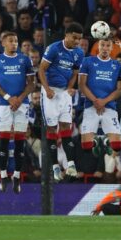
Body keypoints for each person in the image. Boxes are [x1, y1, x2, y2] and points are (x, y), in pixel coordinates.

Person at [0, 32, 35, 193]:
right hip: (3, 104)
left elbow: (32, 83)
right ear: (3, 43)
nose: (14, 43)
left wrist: (20, 99)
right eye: (11, 41)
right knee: (4, 141)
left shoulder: (24, 59)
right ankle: (2, 176)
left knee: (21, 142)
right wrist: (9, 98)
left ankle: (16, 176)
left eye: (16, 41)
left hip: (22, 104)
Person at [38, 23, 84, 181]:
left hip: (64, 93)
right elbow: (41, 69)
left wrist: (70, 88)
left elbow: (75, 73)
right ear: (67, 35)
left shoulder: (79, 53)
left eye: (79, 38)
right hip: (50, 91)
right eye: (75, 37)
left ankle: (70, 164)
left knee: (66, 126)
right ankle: (55, 167)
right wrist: (47, 89)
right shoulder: (54, 48)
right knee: (51, 128)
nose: (77, 41)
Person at [78, 38, 121, 159]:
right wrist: (95, 101)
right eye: (102, 45)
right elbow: (81, 84)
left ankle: (104, 141)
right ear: (98, 46)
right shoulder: (87, 61)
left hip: (109, 106)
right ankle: (96, 141)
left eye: (108, 46)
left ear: (111, 48)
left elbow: (120, 90)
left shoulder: (117, 65)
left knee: (117, 146)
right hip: (91, 106)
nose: (105, 48)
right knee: (86, 147)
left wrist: (104, 101)